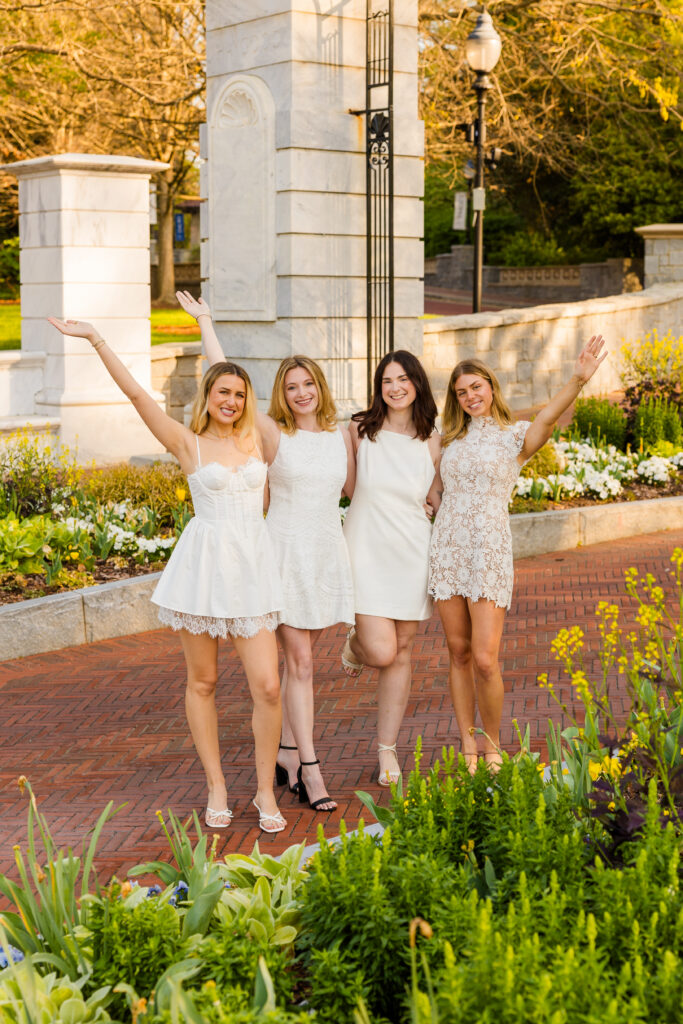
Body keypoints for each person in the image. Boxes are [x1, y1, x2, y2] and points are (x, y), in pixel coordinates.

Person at [47, 315, 287, 834]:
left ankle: (266, 788)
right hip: (204, 569)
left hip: (251, 570)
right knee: (202, 681)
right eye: (223, 392)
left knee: (268, 686)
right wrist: (96, 339)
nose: (232, 401)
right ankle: (217, 785)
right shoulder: (187, 442)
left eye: (240, 394)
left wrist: (206, 323)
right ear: (207, 396)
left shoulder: (257, 438)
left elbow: (225, 367)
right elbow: (137, 396)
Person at [175, 291, 355, 812]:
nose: (301, 393)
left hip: (322, 554)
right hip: (276, 554)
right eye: (290, 387)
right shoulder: (267, 433)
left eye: (308, 384)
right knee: (296, 661)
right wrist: (207, 321)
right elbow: (224, 382)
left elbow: (359, 493)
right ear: (280, 395)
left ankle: (287, 751)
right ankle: (309, 770)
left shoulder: (342, 435)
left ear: (321, 387)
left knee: (301, 664)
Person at [428, 337, 607, 771]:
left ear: (491, 386)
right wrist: (429, 499)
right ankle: (468, 747)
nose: (470, 396)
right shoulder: (445, 438)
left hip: (488, 549)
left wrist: (578, 380)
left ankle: (492, 746)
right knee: (458, 652)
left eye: (476, 387)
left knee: (486, 659)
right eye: (461, 392)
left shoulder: (514, 438)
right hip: (448, 548)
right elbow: (431, 484)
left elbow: (547, 417)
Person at [341, 350, 440, 787]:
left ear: (416, 383)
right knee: (381, 651)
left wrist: (434, 503)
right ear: (378, 388)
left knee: (401, 650)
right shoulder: (360, 430)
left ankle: (387, 751)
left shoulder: (433, 437)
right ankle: (355, 646)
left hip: (412, 552)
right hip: (365, 549)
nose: (395, 387)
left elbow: (435, 494)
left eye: (403, 379)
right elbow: (345, 488)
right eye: (387, 381)